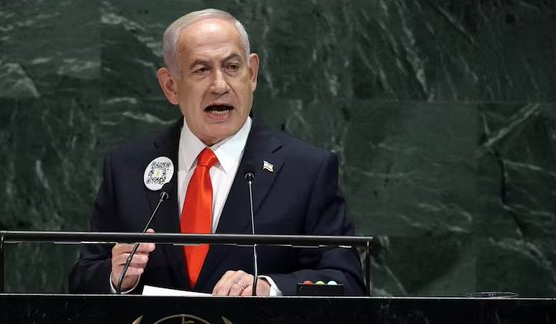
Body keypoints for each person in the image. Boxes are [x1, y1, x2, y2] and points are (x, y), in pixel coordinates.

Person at [68, 9, 364, 296]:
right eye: (201, 70)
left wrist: (270, 288)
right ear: (170, 86)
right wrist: (115, 277)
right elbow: (82, 278)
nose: (220, 85)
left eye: (232, 67)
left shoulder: (306, 170)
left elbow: (346, 282)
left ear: (252, 74)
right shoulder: (127, 168)